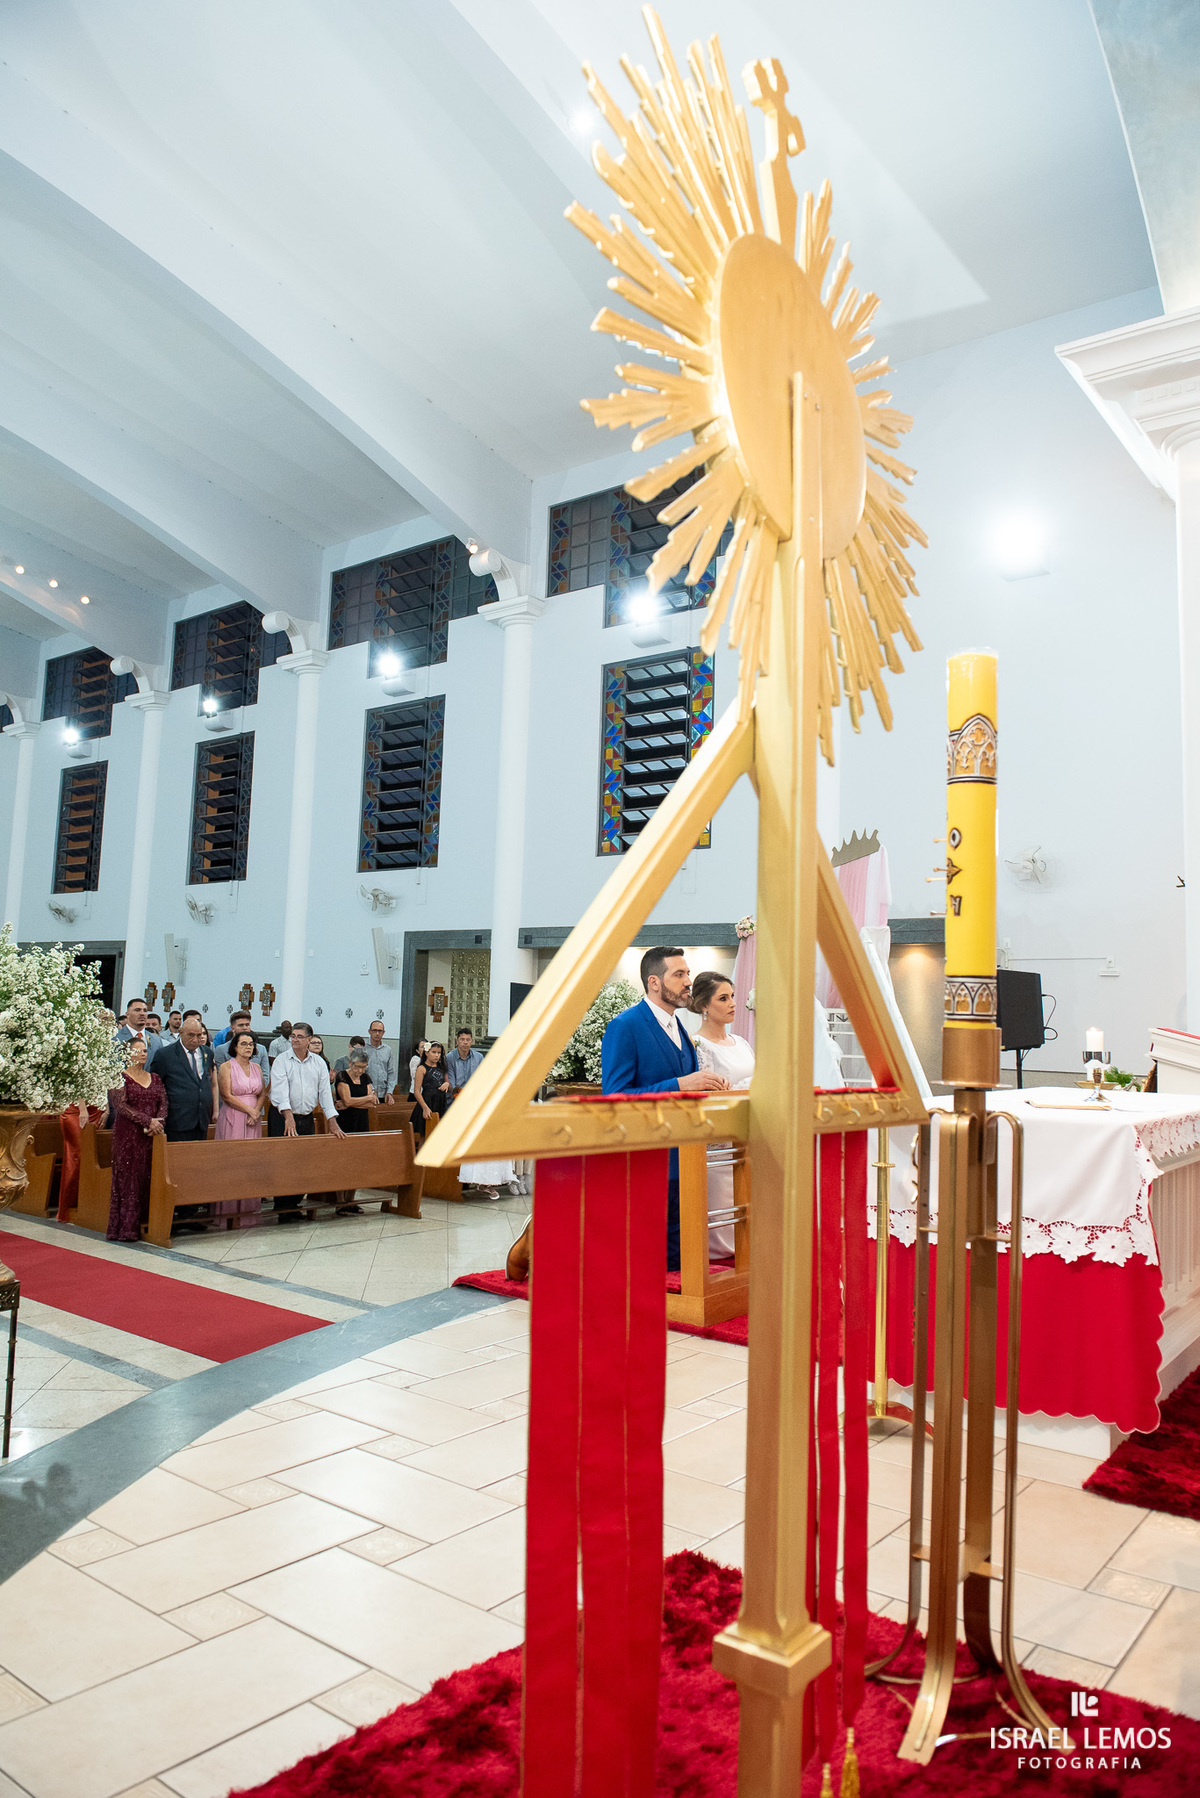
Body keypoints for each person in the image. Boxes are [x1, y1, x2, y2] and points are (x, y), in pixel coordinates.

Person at [601, 947, 728, 1270]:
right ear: (654, 982)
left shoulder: (679, 1028)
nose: (689, 982)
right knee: (644, 1259)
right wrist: (680, 1085)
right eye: (680, 975)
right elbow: (614, 1097)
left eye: (687, 973)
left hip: (685, 1159)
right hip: (647, 1162)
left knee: (676, 1260)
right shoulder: (625, 1026)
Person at [691, 970, 755, 1258]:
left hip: (749, 1131)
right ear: (704, 1005)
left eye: (733, 997)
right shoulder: (698, 1045)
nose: (732, 1003)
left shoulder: (741, 1042)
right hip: (720, 1140)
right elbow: (704, 1092)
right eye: (723, 998)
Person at [269, 1021, 345, 1222]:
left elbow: (324, 1094)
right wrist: (288, 1117)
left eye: (299, 1036)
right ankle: (283, 1209)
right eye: (292, 1036)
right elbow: (279, 1091)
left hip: (305, 1118)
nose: (294, 1040)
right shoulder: (282, 1060)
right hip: (282, 1116)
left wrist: (332, 1120)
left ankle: (294, 1204)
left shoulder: (318, 1063)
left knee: (302, 1163)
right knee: (283, 1163)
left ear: (309, 1039)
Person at [106, 1038, 168, 1241]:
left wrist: (158, 1122)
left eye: (144, 1050)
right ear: (127, 1053)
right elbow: (121, 1106)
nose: (143, 1054)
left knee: (150, 1175)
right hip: (129, 1135)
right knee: (129, 1178)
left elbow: (163, 1102)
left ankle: (149, 1223)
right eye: (137, 1050)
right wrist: (147, 1121)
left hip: (153, 1135)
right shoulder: (119, 1077)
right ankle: (126, 1228)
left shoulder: (155, 1078)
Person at [214, 1028, 266, 1225]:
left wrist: (257, 1111)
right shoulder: (227, 1067)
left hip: (253, 1121)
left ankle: (248, 1211)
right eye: (243, 1043)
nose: (247, 1047)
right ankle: (227, 1211)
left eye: (251, 1044)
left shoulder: (257, 1068)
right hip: (234, 1116)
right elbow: (226, 1095)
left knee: (250, 1163)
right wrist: (249, 1111)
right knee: (232, 1163)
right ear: (235, 1046)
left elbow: (261, 1093)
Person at [332, 1047, 377, 1215]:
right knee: (343, 1163)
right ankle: (340, 1201)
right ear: (350, 1063)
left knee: (357, 1163)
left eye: (363, 1067)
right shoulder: (342, 1076)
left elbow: (372, 1104)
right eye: (357, 1067)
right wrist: (366, 1098)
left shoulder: (366, 1077)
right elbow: (347, 1100)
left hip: (361, 1122)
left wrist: (352, 1102)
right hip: (345, 1123)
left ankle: (351, 1200)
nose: (360, 1071)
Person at [215, 1012, 270, 1083]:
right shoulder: (222, 1050)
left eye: (247, 1025)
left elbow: (265, 1076)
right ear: (232, 1028)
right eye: (241, 1025)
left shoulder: (261, 1049)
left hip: (256, 1091)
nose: (245, 1028)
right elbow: (220, 1077)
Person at [413, 1041, 451, 1142]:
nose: (436, 1055)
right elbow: (416, 1091)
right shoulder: (421, 1068)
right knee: (424, 1136)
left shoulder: (442, 1068)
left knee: (438, 1136)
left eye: (439, 1053)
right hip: (427, 1102)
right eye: (433, 1052)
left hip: (440, 1102)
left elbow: (448, 1083)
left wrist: (447, 1084)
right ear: (426, 1053)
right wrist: (425, 1107)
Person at [364, 1020, 397, 1102]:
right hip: (366, 1093)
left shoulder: (387, 1050)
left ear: (383, 1032)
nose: (377, 1033)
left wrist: (389, 1092)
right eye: (374, 1030)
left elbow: (391, 1072)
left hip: (383, 1093)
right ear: (369, 1031)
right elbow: (360, 1072)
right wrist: (370, 1089)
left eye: (380, 1031)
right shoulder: (362, 1048)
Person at [446, 1029, 482, 1096]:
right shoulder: (449, 1057)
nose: (465, 1042)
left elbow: (481, 1077)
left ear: (472, 1041)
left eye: (468, 1040)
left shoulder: (479, 1057)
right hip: (455, 1096)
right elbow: (451, 1080)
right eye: (462, 1039)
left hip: (473, 1095)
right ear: (457, 1041)